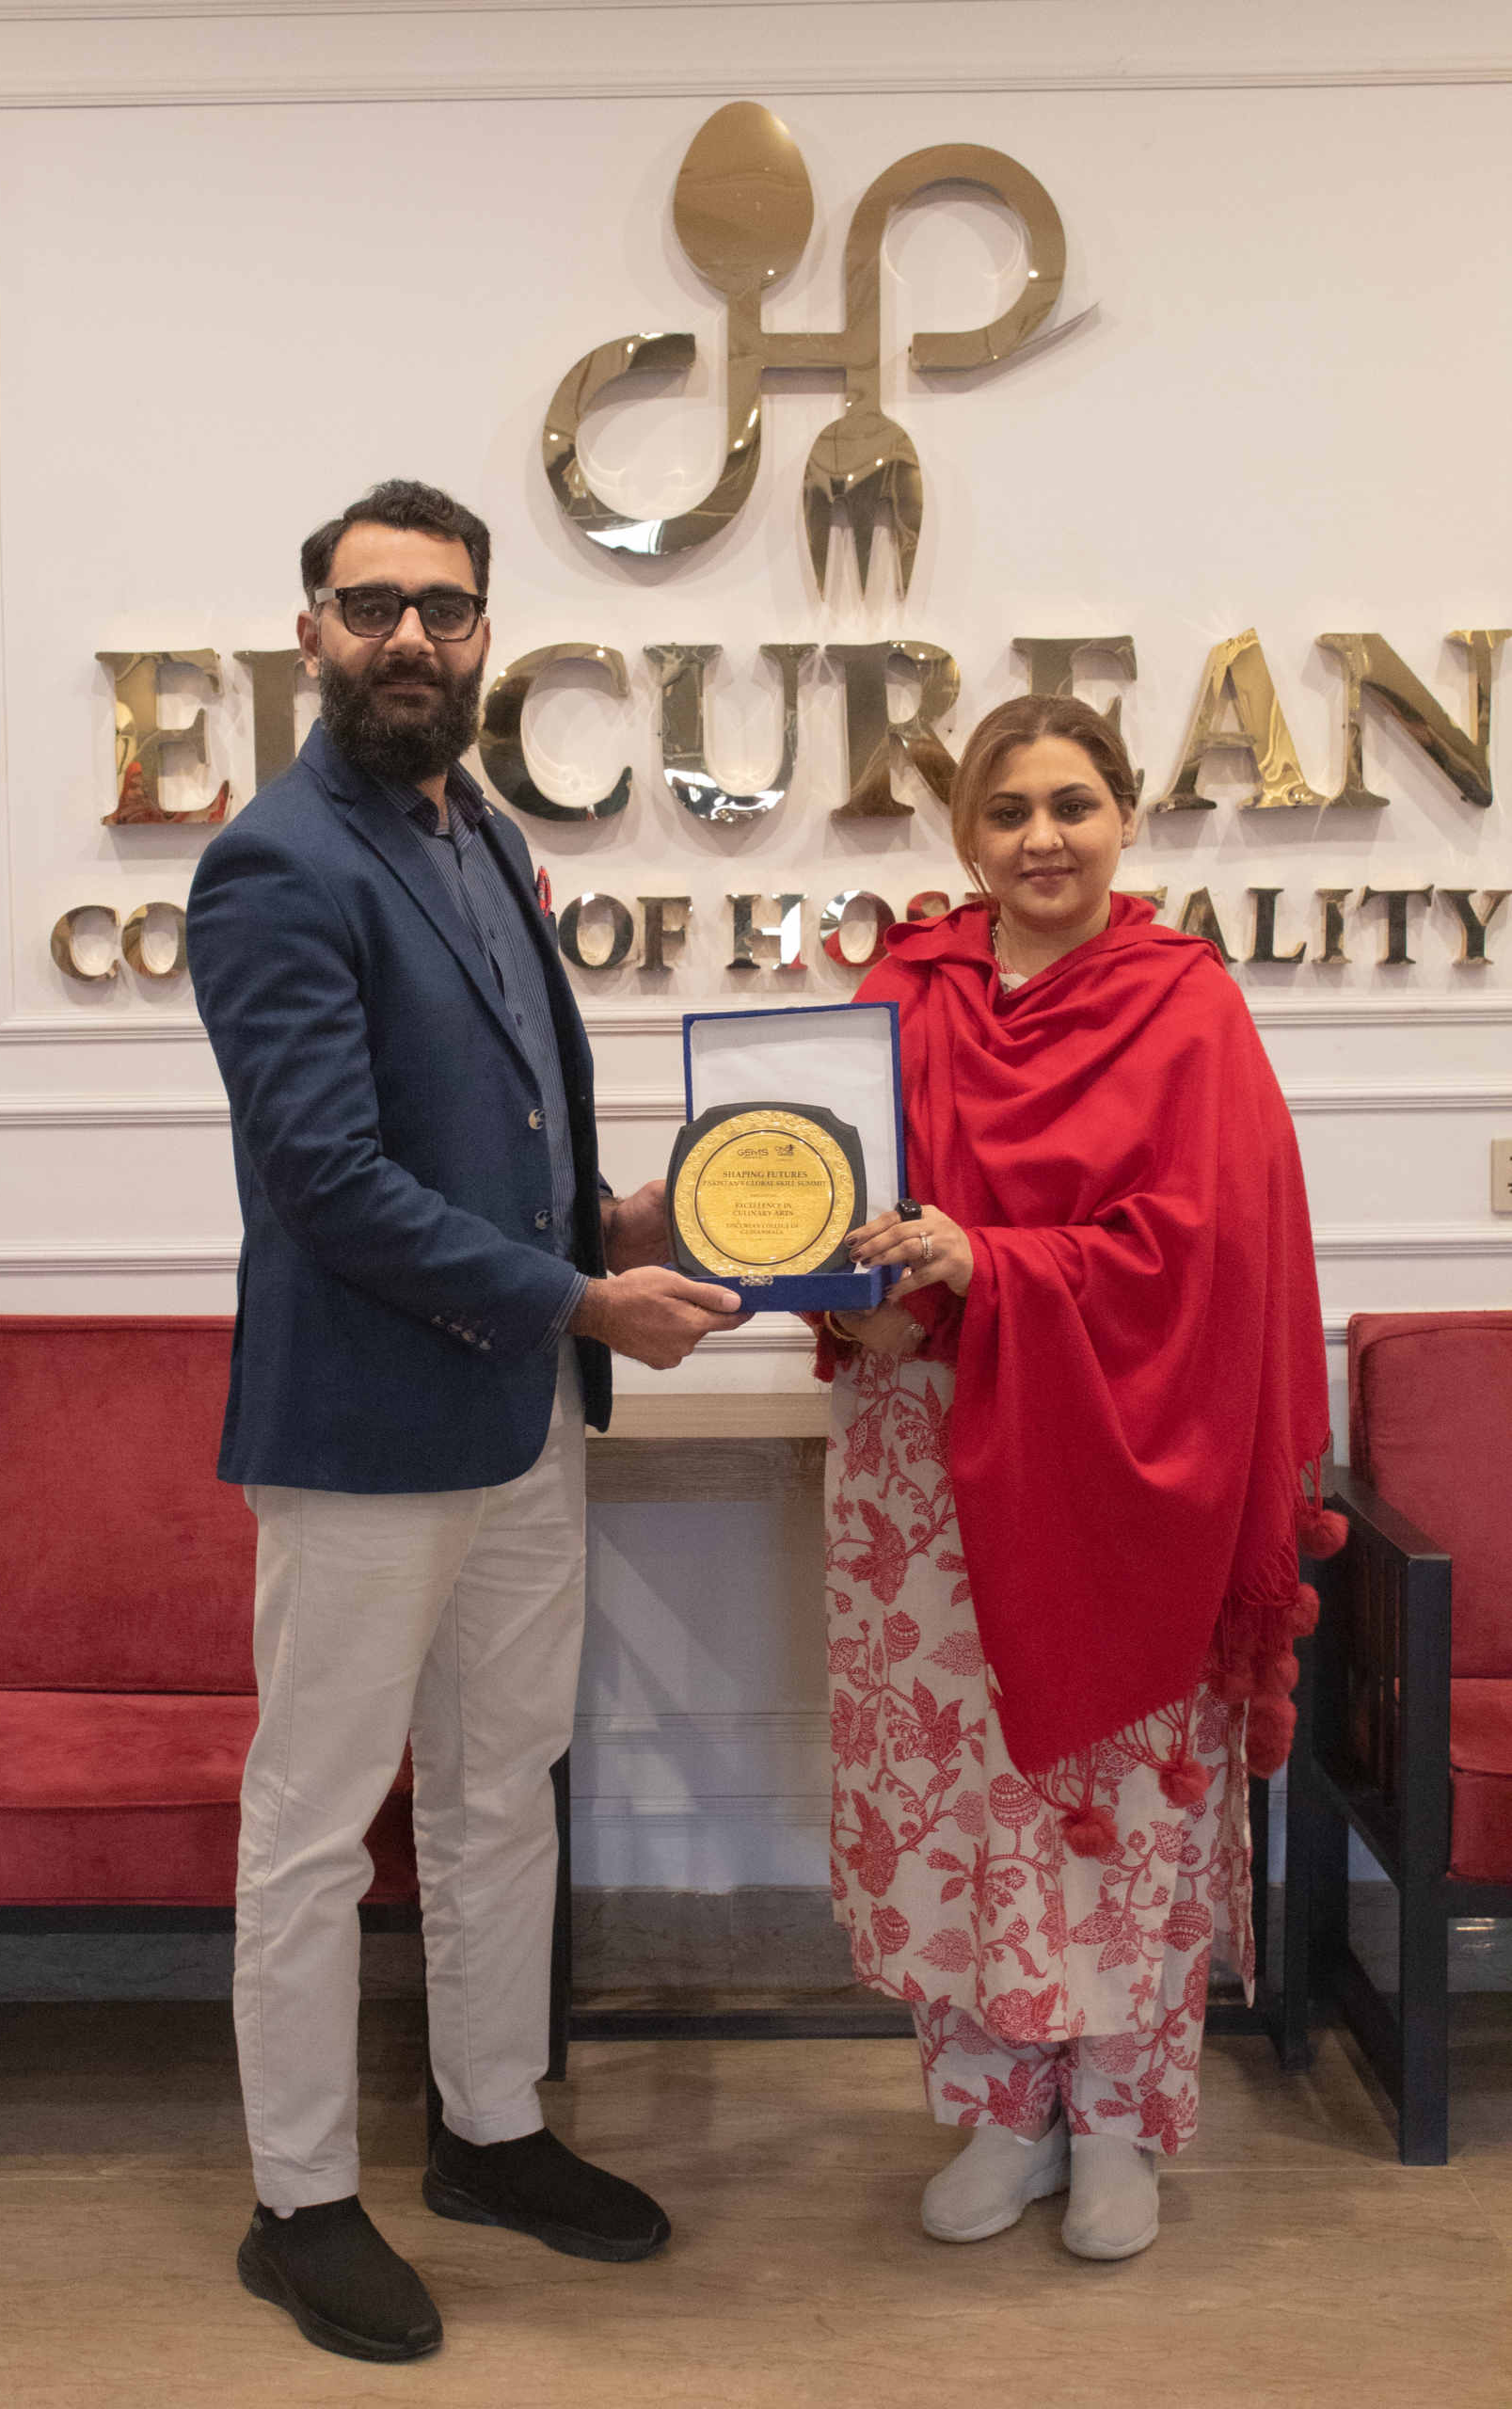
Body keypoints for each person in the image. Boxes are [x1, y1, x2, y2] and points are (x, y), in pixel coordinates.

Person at [185, 479, 744, 2363]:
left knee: (503, 1785)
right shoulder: (276, 863)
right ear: (311, 635)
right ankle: (297, 2199)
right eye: (373, 607)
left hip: (517, 1414)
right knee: (315, 1821)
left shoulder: (482, 834)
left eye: (444, 607)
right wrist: (582, 1299)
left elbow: (495, 1135)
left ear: (487, 632)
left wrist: (609, 1226)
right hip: (361, 1428)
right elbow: (329, 1180)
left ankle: (489, 2129)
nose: (409, 637)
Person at [816, 694, 1341, 2262]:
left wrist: (992, 1262)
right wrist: (832, 1281)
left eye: (1070, 805)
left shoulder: (1186, 1006)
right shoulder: (904, 990)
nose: (1039, 837)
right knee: (961, 1792)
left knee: (1111, 1794)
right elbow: (826, 1192)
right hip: (924, 1460)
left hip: (1129, 1459)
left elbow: (1207, 1251)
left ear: (1124, 818)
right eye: (1006, 811)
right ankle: (1001, 2113)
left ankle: (1117, 2125)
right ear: (964, 834)